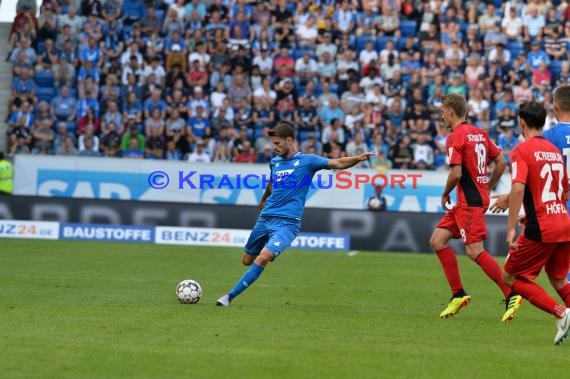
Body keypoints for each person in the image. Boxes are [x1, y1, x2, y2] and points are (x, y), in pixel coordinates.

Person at [216, 121, 374, 306]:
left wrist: (357, 158)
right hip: (266, 218)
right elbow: (272, 182)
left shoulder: (308, 161)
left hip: (287, 224)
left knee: (263, 256)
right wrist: (263, 198)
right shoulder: (275, 162)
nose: (273, 147)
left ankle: (229, 297)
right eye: (273, 144)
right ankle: (268, 251)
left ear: (289, 140)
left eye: (277, 143)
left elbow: (337, 162)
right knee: (246, 260)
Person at [429, 94, 523, 321]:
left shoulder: (455, 137)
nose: (441, 114)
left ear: (451, 111)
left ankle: (511, 293)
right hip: (468, 200)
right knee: (437, 240)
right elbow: (501, 161)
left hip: (469, 202)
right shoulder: (479, 134)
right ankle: (458, 294)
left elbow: (456, 172)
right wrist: (488, 185)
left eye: (443, 110)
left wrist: (445, 192)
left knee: (474, 250)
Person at [501, 101, 570, 345]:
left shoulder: (522, 150)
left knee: (510, 277)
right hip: (563, 220)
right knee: (559, 278)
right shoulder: (553, 151)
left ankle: (562, 313)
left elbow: (518, 188)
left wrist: (511, 227)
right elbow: (565, 192)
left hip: (543, 226)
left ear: (521, 123)